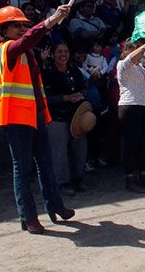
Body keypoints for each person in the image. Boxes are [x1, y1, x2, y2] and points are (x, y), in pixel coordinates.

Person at [0, 4, 75, 234]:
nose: (21, 28)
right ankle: (28, 217)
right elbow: (29, 39)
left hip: (34, 115)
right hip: (16, 118)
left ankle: (56, 206)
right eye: (15, 25)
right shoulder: (7, 49)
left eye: (23, 25)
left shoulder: (25, 52)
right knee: (23, 169)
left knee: (45, 164)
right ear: (3, 29)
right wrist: (51, 20)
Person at [43, 43, 87, 196]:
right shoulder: (48, 72)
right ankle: (62, 183)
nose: (63, 54)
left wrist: (80, 95)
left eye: (66, 51)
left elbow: (83, 87)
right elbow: (46, 98)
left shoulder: (74, 70)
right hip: (57, 117)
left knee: (79, 148)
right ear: (53, 54)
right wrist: (66, 98)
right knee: (59, 151)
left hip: (76, 115)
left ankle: (78, 178)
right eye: (59, 51)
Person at [117, 38, 145, 193]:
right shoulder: (122, 65)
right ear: (126, 51)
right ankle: (129, 178)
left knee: (142, 144)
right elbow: (130, 59)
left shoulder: (141, 67)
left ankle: (143, 174)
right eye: (135, 49)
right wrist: (144, 46)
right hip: (130, 106)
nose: (140, 53)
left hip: (143, 105)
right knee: (131, 145)